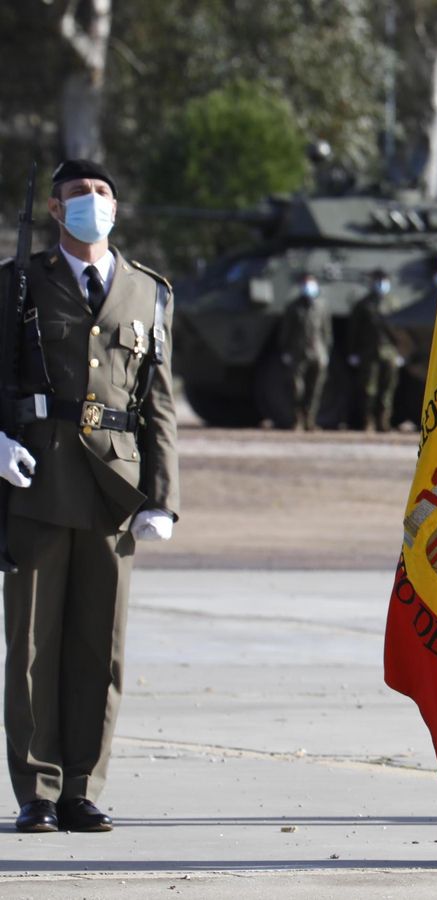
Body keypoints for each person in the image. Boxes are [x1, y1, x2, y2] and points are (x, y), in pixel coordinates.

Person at [1, 159, 179, 834]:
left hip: (114, 485)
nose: (94, 204)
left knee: (99, 646)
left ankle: (81, 786)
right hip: (38, 476)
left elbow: (157, 401)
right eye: (79, 195)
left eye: (103, 193)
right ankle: (37, 790)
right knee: (34, 646)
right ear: (53, 209)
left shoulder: (147, 290)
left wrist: (162, 493)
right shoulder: (20, 283)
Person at [347, 268, 402, 432]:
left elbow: (401, 331)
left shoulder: (394, 303)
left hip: (390, 352)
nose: (380, 284)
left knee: (387, 389)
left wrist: (402, 352)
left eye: (383, 281)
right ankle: (367, 421)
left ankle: (383, 421)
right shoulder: (363, 305)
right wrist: (353, 352)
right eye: (378, 281)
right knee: (368, 389)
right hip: (369, 352)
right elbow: (354, 330)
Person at [275, 271, 331, 431]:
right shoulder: (294, 307)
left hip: (318, 352)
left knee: (315, 389)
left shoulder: (321, 306)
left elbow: (326, 331)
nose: (308, 287)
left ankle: (310, 420)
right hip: (297, 351)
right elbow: (286, 331)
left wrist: (326, 351)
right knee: (295, 387)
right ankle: (296, 419)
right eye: (305, 283)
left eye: (311, 283)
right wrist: (285, 350)